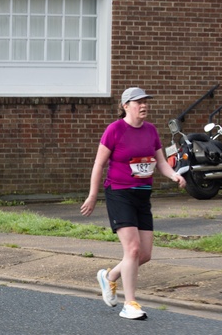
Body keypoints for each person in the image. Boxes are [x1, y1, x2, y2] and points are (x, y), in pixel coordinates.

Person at [80, 87, 186, 320]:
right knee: (133, 249)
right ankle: (131, 303)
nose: (144, 105)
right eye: (138, 102)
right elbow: (98, 164)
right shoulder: (114, 130)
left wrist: (173, 175)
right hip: (119, 193)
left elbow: (160, 161)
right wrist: (92, 195)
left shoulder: (151, 131)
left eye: (146, 101)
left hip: (142, 195)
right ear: (126, 106)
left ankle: (109, 277)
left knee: (144, 254)